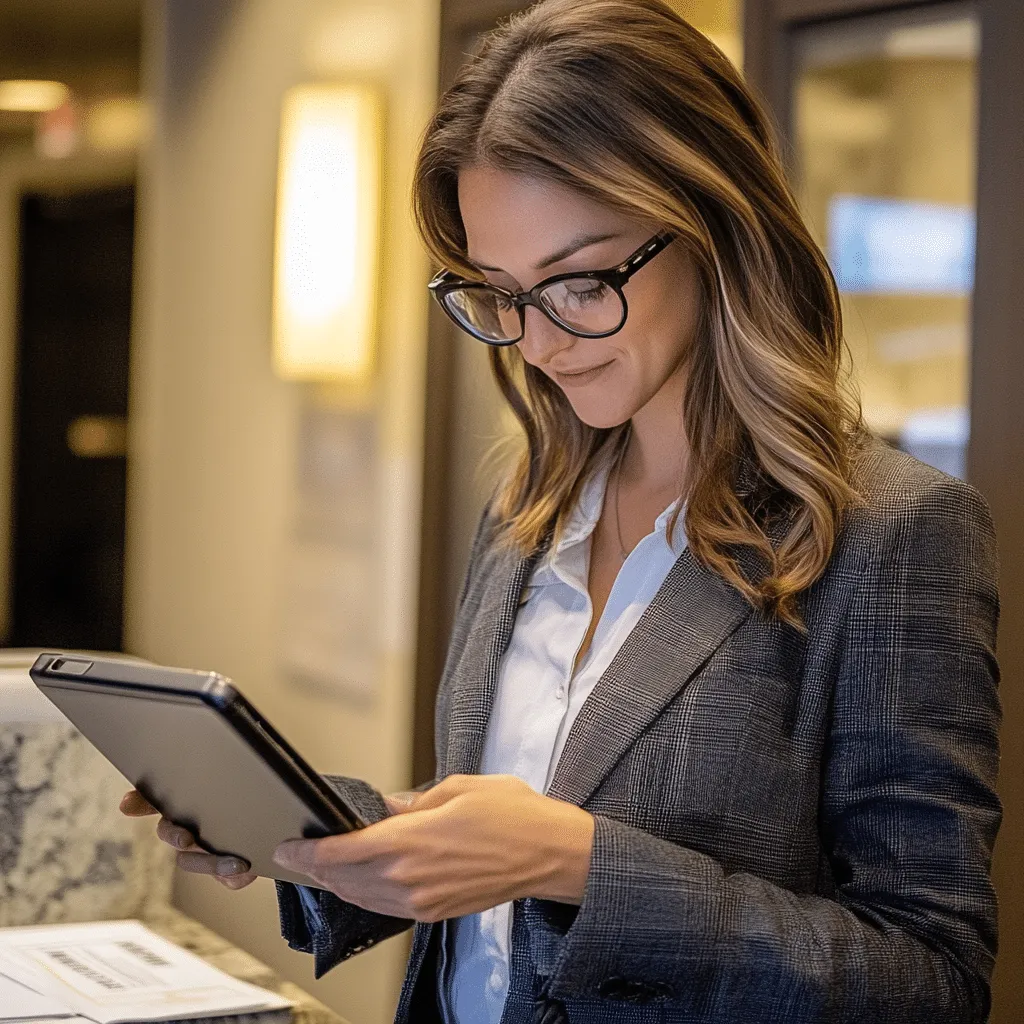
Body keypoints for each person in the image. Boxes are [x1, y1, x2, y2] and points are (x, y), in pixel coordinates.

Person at [121, 0, 1002, 1020]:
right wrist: (315, 828)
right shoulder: (528, 508)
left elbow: (929, 976)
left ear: (715, 224)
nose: (538, 344)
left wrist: (577, 861)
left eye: (577, 283)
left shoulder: (893, 533)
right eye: (499, 292)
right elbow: (499, 857)